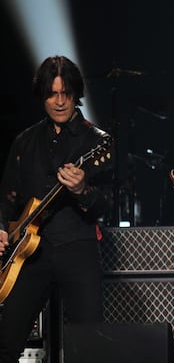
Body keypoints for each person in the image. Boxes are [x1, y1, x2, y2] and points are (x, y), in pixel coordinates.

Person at [0, 55, 113, 362]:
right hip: (28, 254)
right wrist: (0, 228)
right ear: (42, 95)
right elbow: (8, 196)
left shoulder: (96, 142)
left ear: (76, 94)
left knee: (89, 346)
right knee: (6, 340)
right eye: (52, 93)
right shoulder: (25, 141)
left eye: (66, 93)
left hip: (77, 249)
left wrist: (82, 190)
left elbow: (106, 204)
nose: (60, 101)